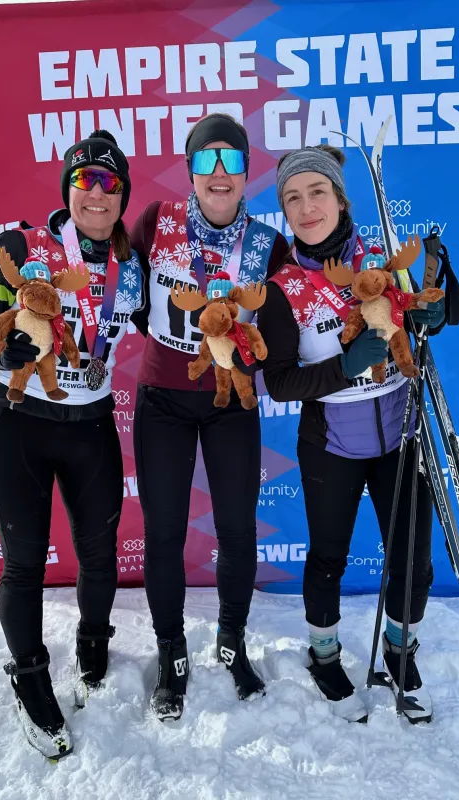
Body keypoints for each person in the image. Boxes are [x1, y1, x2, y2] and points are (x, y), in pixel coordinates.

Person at [0, 130, 142, 758]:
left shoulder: (130, 266)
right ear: (68, 188)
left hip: (90, 424)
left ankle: (92, 645)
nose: (97, 193)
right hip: (19, 420)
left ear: (122, 198)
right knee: (26, 563)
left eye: (111, 184)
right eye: (85, 180)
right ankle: (30, 680)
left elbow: (185, 318)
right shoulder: (19, 248)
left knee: (98, 553)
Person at [258, 144, 449, 724]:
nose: (306, 206)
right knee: (328, 557)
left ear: (340, 199)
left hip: (399, 434)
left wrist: (436, 308)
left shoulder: (383, 260)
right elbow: (281, 381)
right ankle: (323, 654)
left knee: (413, 558)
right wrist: (344, 364)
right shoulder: (282, 286)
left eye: (317, 192)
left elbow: (428, 310)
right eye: (292, 197)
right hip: (330, 443)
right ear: (285, 212)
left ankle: (397, 644)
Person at [130, 112, 288, 720]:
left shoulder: (266, 244)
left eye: (230, 161)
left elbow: (291, 316)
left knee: (236, 527)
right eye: (205, 160)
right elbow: (122, 282)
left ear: (247, 173)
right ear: (190, 170)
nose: (218, 173)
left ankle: (231, 638)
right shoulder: (157, 221)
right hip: (163, 400)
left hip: (230, 405)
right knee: (166, 531)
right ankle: (172, 650)